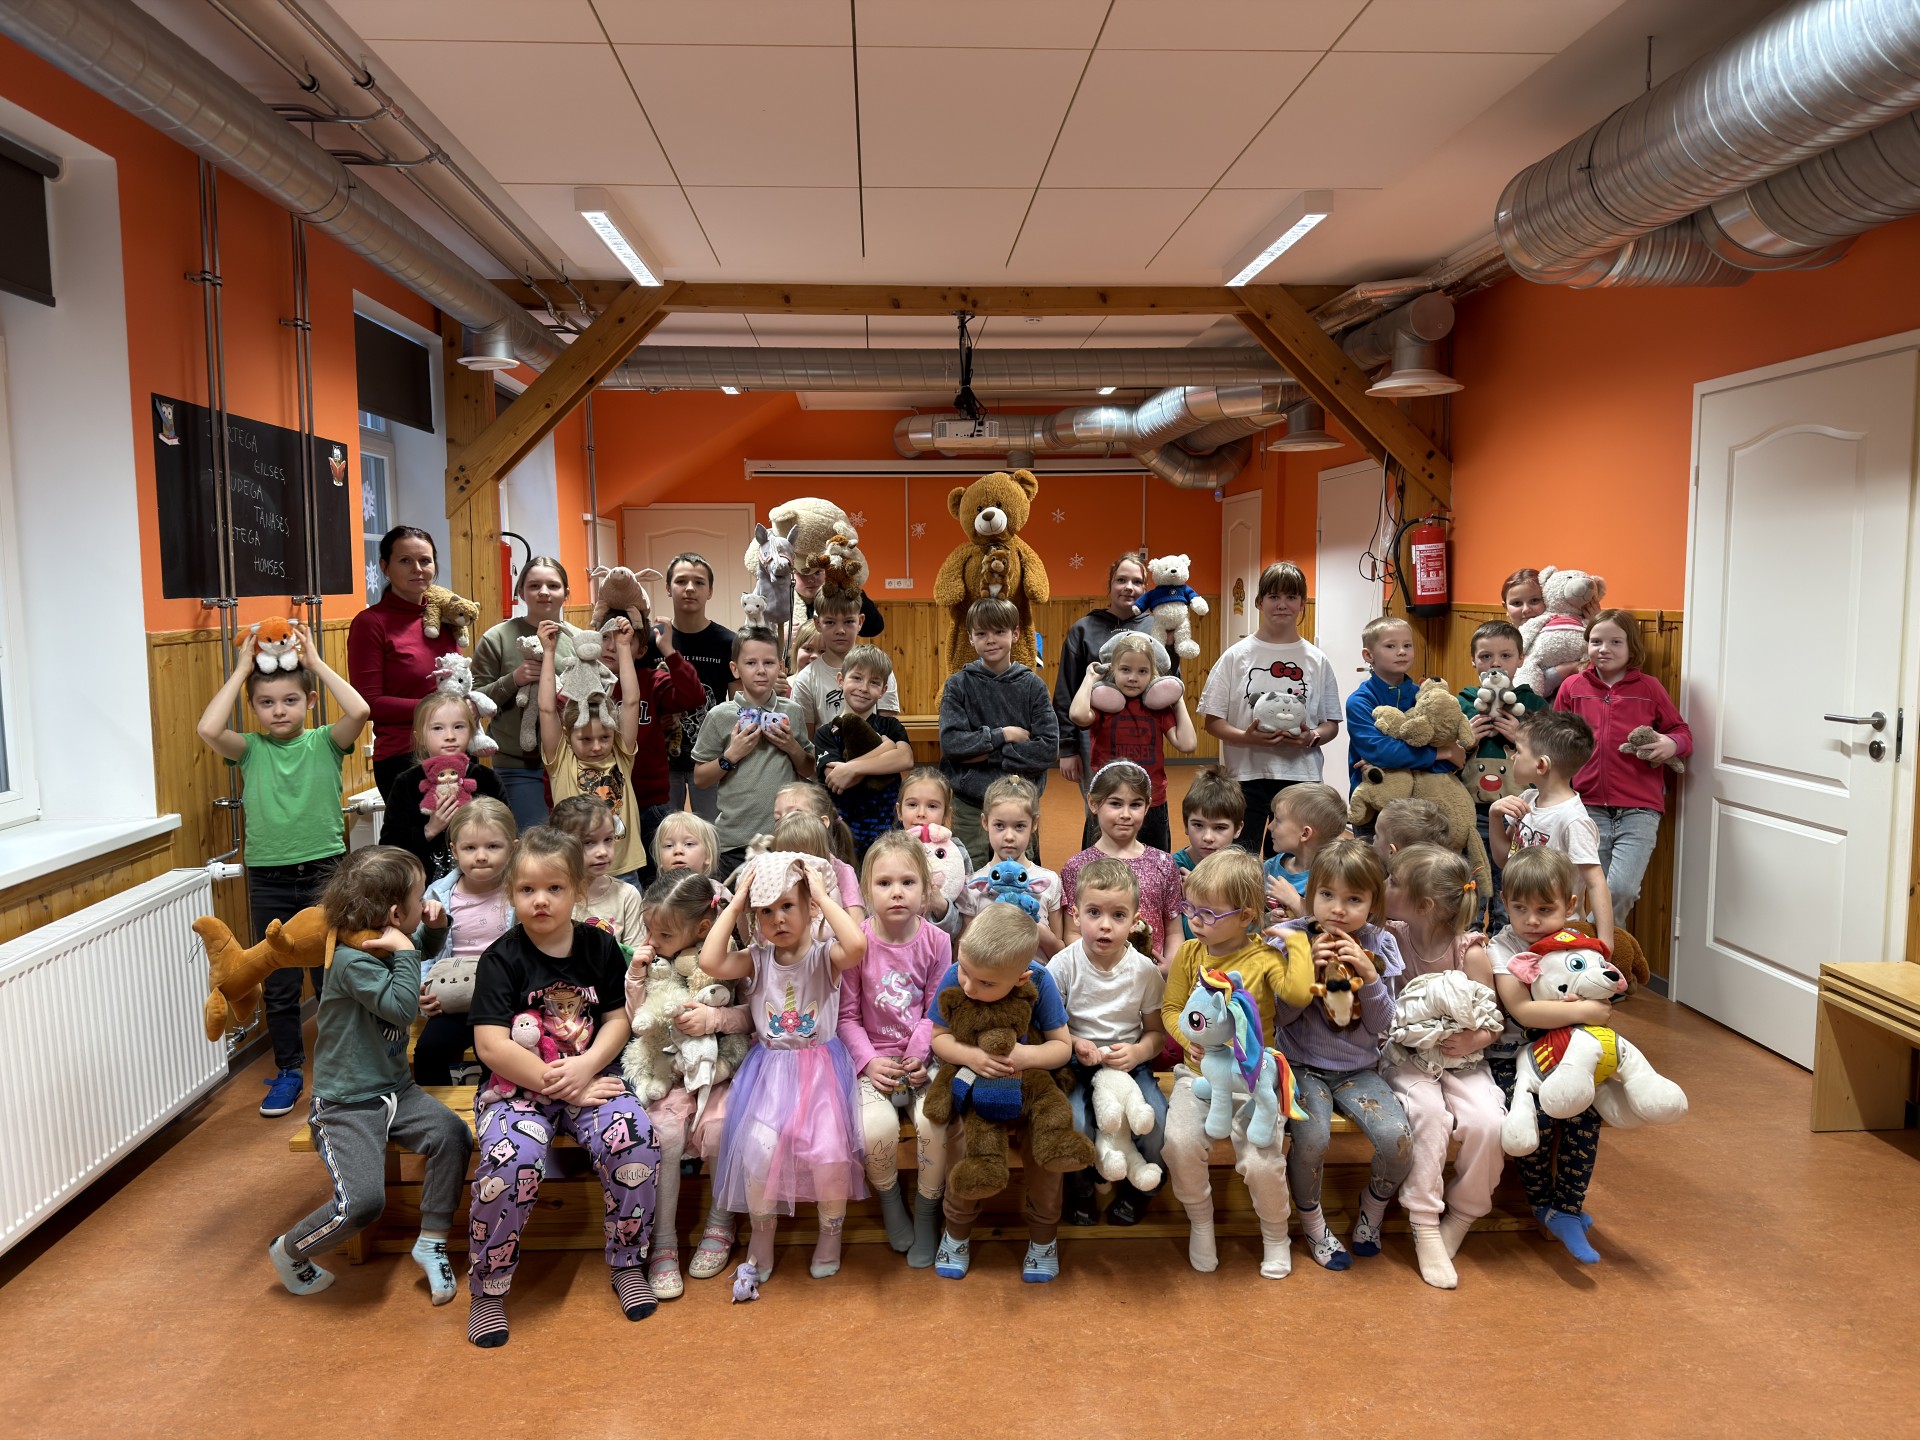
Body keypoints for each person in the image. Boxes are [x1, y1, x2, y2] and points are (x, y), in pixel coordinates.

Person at [466, 827, 661, 1347]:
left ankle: (627, 1263)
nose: (541, 900)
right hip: (519, 1089)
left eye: (554, 888)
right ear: (511, 893)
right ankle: (488, 1290)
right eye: (527, 889)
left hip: (591, 1077)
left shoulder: (599, 945)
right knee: (512, 1163)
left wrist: (588, 1067)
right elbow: (491, 1046)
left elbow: (619, 1019)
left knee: (635, 1141)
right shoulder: (501, 958)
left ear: (577, 889)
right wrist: (561, 1086)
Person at [265, 846, 471, 1304]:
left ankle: (432, 1240)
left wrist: (434, 930)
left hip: (397, 1090)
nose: (427, 903)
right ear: (395, 915)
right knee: (362, 1204)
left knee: (452, 1135)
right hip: (346, 1104)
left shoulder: (377, 943)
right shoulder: (350, 961)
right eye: (420, 898)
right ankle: (290, 1250)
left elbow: (414, 954)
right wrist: (407, 949)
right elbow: (401, 1008)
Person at [195, 620, 369, 1118]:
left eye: (290, 700)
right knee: (279, 983)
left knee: (331, 974)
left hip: (324, 872)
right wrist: (242, 671)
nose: (279, 710)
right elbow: (208, 729)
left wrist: (315, 664)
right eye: (267, 702)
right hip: (268, 876)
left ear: (309, 702)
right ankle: (290, 1069)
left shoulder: (326, 742)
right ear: (253, 707)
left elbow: (359, 710)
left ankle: (338, 1073)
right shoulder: (249, 749)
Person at [701, 854, 868, 1300]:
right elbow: (711, 961)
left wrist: (822, 897)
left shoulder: (824, 955)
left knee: (829, 1157)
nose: (777, 919)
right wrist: (737, 902)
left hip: (821, 1073)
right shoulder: (756, 959)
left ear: (809, 908)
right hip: (770, 1074)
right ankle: (762, 1236)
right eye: (766, 911)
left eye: (787, 906)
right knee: (758, 1153)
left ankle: (830, 1233)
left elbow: (856, 946)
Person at [1160, 846, 1311, 1276]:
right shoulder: (1190, 954)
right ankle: (1200, 1222)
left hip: (1253, 1081)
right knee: (1179, 1144)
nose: (1195, 921)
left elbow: (1299, 994)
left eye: (1208, 914)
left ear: (1246, 916)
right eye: (1191, 909)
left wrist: (1298, 943)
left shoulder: (1264, 958)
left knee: (1262, 1163)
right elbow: (1171, 1009)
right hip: (1198, 1076)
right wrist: (1187, 1040)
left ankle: (1275, 1235)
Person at [1270, 839, 1412, 1272]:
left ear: (1373, 903)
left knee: (1397, 1139)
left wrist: (1370, 976)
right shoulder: (1294, 937)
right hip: (1301, 1065)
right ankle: (1312, 1221)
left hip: (1359, 1068)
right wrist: (1305, 969)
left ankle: (1374, 1205)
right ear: (1311, 893)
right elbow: (1280, 1018)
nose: (1338, 909)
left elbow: (1382, 1025)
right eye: (1327, 894)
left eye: (1354, 899)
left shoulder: (1380, 942)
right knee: (1312, 1140)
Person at [928, 903, 1078, 1284]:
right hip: (973, 1087)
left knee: (1046, 1148)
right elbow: (939, 1039)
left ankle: (1043, 1238)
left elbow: (1062, 1047)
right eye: (965, 971)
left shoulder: (1040, 981)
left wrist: (1026, 1056)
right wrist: (974, 1057)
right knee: (963, 1143)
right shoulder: (956, 975)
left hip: (1028, 1087)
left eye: (985, 983)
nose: (969, 986)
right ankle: (956, 1231)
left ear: (1021, 977)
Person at [1381, 844, 1504, 1290]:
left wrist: (1474, 1038)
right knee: (1429, 1114)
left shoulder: (1469, 952)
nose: (1384, 886)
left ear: (1425, 905)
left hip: (1463, 1059)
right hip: (1407, 1058)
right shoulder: (1390, 937)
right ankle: (1424, 1221)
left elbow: (1492, 1021)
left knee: (1489, 1122)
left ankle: (1464, 1213)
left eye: (1394, 881)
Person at [624, 868, 750, 1301]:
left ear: (701, 927)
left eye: (663, 934)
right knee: (665, 1135)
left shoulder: (731, 956)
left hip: (721, 1072)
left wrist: (715, 1018)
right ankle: (662, 1242)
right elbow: (638, 1021)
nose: (653, 940)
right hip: (669, 1074)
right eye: (649, 931)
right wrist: (636, 977)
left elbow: (756, 1014)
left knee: (722, 1128)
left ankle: (720, 1223)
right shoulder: (652, 964)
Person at [1486, 847, 1612, 1264]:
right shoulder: (1501, 948)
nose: (1532, 920)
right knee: (1536, 1118)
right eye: (1520, 908)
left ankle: (1568, 1208)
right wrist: (1584, 1010)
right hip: (1508, 1058)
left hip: (1562, 1056)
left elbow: (1599, 984)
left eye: (1545, 909)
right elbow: (1522, 1010)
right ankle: (1542, 1203)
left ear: (1570, 906)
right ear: (1504, 902)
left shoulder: (1574, 944)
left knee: (1585, 1114)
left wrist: (1587, 1002)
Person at [837, 830, 954, 1266]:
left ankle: (926, 1211)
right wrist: (869, 1062)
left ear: (925, 889)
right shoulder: (857, 942)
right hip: (872, 1061)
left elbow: (936, 1010)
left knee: (934, 1123)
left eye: (907, 882)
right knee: (876, 1129)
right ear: (867, 891)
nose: (897, 892)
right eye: (884, 883)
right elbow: (846, 1017)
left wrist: (919, 1055)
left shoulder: (937, 942)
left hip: (924, 1058)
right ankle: (890, 1202)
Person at [1048, 858, 1167, 1228]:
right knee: (1075, 1122)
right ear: (1075, 914)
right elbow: (1047, 1028)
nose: (1105, 925)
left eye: (1118, 915)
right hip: (1075, 1064)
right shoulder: (1062, 965)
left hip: (1130, 1066)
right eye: (1094, 913)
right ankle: (1081, 1188)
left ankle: (1141, 1191)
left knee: (1158, 1123)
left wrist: (1137, 1052)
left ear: (1134, 921)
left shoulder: (1144, 971)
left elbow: (1156, 1034)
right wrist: (1074, 1043)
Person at [1553, 608, 1691, 924]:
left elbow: (1682, 732)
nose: (1604, 649)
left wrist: (1671, 744)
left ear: (1632, 648)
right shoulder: (1572, 687)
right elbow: (1553, 737)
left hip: (1639, 810)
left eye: (1616, 642)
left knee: (1622, 890)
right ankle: (1594, 948)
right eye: (1596, 641)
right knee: (1591, 890)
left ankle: (1598, 946)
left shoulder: (1650, 688)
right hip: (1587, 807)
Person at [1197, 561, 1341, 853]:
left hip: (1301, 778)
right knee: (1241, 858)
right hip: (1246, 776)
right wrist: (1247, 737)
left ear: (1302, 602)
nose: (1282, 604)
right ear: (1259, 601)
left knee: (1290, 861)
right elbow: (1213, 721)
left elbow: (1331, 724)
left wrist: (1310, 737)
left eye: (1291, 597)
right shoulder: (1236, 656)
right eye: (1274, 596)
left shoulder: (1317, 660)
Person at [937, 596, 1059, 870]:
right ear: (971, 638)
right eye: (981, 633)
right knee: (970, 876)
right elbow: (952, 744)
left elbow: (1047, 749)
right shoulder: (957, 685)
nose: (990, 640)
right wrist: (1003, 735)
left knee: (1020, 875)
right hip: (971, 805)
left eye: (999, 631)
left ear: (1015, 634)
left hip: (1019, 802)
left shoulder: (1033, 686)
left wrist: (983, 754)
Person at [348, 525, 463, 801]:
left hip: (456, 749)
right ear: (384, 567)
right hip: (404, 755)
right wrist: (437, 709)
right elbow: (369, 703)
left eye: (425, 560)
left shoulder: (447, 618)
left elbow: (457, 682)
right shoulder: (371, 623)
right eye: (405, 561)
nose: (417, 569)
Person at [1053, 552, 1160, 846]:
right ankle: (1097, 869)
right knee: (1101, 808)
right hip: (1093, 738)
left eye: (1137, 582)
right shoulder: (1084, 629)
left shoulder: (1156, 628)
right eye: (1121, 580)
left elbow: (1167, 682)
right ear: (1110, 585)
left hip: (1142, 737)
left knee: (1139, 808)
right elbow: (1066, 690)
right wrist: (1068, 748)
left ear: (1146, 588)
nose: (1129, 587)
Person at [693, 625, 815, 877]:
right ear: (735, 669)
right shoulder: (719, 716)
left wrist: (791, 746)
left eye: (769, 663)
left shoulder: (792, 712)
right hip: (733, 843)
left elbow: (809, 768)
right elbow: (700, 779)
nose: (761, 670)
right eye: (751, 663)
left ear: (780, 667)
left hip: (783, 839)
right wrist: (731, 756)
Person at [1489, 710, 1614, 955]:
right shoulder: (1527, 799)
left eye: (1518, 750)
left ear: (1541, 765)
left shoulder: (1573, 820)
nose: (1513, 757)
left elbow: (1596, 883)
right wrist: (1495, 817)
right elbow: (1504, 860)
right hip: (1521, 927)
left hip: (1558, 935)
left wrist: (1606, 944)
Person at [470, 556, 580, 832]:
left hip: (573, 762)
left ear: (566, 593)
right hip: (518, 767)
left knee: (575, 842)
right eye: (534, 585)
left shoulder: (579, 641)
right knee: (533, 842)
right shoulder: (497, 638)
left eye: (553, 585)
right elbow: (473, 701)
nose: (544, 592)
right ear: (521, 592)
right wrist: (513, 680)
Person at [413, 797, 517, 1087]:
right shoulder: (438, 895)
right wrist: (421, 991)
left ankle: (497, 1102)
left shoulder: (521, 892)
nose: (481, 856)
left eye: (493, 846)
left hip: (506, 1003)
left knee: (500, 1056)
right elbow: (423, 951)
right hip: (453, 1002)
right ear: (454, 850)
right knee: (429, 1050)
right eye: (470, 848)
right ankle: (432, 1109)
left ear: (513, 848)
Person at [1067, 631, 1198, 853]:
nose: (1133, 678)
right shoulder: (1104, 705)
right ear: (1112, 670)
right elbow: (1078, 715)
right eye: (1125, 670)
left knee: (1153, 863)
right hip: (1108, 799)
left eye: (1142, 671)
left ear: (1153, 675)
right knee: (1101, 864)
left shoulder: (1158, 709)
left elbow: (1187, 744)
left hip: (1151, 801)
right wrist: (1090, 678)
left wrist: (1177, 699)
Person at [1457, 618, 1547, 931]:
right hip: (1475, 812)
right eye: (1485, 656)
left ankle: (1506, 946)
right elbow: (1445, 756)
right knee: (1472, 889)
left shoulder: (1533, 704)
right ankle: (1468, 947)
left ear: (1521, 659)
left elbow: (1548, 759)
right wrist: (1465, 740)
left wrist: (1521, 736)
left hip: (1521, 815)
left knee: (1511, 890)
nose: (1495, 664)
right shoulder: (1462, 703)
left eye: (1505, 656)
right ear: (1473, 660)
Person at [538, 617, 644, 885]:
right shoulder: (561, 760)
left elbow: (631, 702)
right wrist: (548, 652)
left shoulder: (620, 753)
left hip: (624, 872)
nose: (597, 746)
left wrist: (623, 646)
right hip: (574, 874)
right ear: (567, 735)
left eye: (604, 737)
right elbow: (547, 709)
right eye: (585, 739)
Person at [376, 692, 506, 885]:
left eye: (459, 727)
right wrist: (429, 829)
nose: (450, 736)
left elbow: (507, 835)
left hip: (483, 886)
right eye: (437, 728)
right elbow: (389, 848)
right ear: (420, 737)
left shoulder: (487, 780)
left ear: (471, 732)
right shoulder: (406, 783)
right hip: (423, 890)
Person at [1058, 760, 1183, 962]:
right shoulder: (1077, 866)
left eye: (1135, 805)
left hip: (1151, 971)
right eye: (1115, 804)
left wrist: (1170, 965)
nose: (1125, 814)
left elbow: (1174, 931)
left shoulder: (1164, 863)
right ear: (1093, 803)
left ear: (1147, 806)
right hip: (1098, 971)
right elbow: (1073, 931)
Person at [813, 643, 913, 861]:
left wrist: (852, 767)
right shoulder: (826, 733)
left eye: (874, 682)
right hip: (842, 835)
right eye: (857, 678)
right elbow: (837, 779)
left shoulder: (890, 726)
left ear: (883, 690)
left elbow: (905, 758)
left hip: (887, 833)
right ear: (841, 680)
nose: (864, 687)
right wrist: (886, 749)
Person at [1345, 614, 1465, 792]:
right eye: (1390, 646)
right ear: (1368, 655)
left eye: (1407, 645)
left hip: (1421, 794)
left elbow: (1440, 742)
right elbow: (1380, 751)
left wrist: (1391, 762)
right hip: (1374, 795)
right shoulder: (1360, 701)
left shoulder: (1423, 697)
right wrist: (1442, 753)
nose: (1402, 651)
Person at [662, 553, 736, 825]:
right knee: (663, 835)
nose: (690, 588)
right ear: (668, 588)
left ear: (710, 591)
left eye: (699, 582)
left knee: (713, 833)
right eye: (681, 581)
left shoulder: (727, 642)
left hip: (710, 761)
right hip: (662, 761)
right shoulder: (655, 639)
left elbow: (737, 704)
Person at [955, 775, 1064, 956]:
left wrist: (1041, 934)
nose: (1009, 837)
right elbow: (961, 953)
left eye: (1019, 826)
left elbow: (1060, 955)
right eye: (999, 825)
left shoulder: (1049, 881)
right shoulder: (972, 886)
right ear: (985, 822)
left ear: (1034, 824)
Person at [790, 590, 901, 736]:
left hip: (876, 749)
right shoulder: (806, 679)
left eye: (848, 622)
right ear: (818, 623)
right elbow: (807, 742)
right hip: (826, 750)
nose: (840, 630)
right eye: (830, 622)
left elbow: (890, 732)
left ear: (860, 622)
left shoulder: (880, 670)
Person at [549, 795, 647, 945]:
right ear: (560, 845)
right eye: (588, 842)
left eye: (608, 839)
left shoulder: (627, 896)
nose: (602, 852)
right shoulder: (548, 895)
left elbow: (634, 954)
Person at [1172, 765, 1244, 941]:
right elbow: (1175, 930)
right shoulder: (1173, 867)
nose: (1208, 837)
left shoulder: (1243, 871)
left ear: (1237, 829)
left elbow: (1250, 928)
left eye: (1219, 827)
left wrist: (1197, 893)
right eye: (1198, 825)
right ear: (1186, 824)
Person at [898, 766, 969, 935]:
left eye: (932, 806)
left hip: (941, 944)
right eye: (912, 804)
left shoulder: (957, 854)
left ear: (946, 814)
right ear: (899, 811)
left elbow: (965, 918)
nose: (921, 813)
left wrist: (941, 907)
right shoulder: (887, 850)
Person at [1262, 781, 1349, 920]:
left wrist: (1296, 902)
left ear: (1305, 833)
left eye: (1277, 820)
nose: (1270, 826)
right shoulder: (1269, 867)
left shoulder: (1332, 878)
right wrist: (1268, 918)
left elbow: (1329, 924)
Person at [766, 810, 866, 925]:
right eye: (784, 858)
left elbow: (852, 925)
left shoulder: (833, 882)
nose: (791, 866)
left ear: (819, 857)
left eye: (800, 859)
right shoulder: (775, 881)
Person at [795, 566, 884, 637]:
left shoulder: (842, 595)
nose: (811, 579)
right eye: (803, 573)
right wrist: (785, 637)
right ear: (791, 574)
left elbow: (874, 628)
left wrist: (850, 586)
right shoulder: (786, 601)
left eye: (817, 572)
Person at [654, 810, 722, 881]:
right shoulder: (656, 888)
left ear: (707, 855)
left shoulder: (715, 888)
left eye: (689, 844)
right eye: (669, 845)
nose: (678, 851)